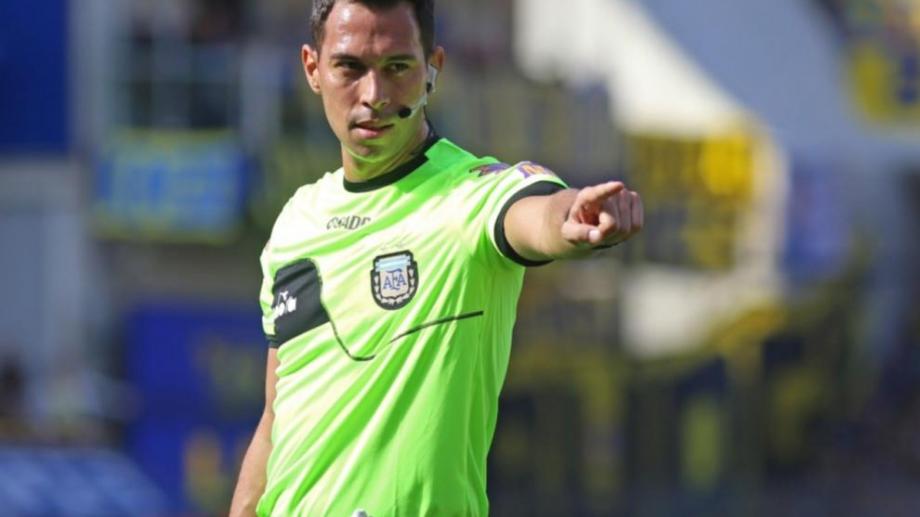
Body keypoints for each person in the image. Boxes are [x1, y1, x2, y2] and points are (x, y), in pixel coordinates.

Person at [229, 0, 643, 515]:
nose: (374, 95)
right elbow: (275, 419)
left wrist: (571, 219)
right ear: (313, 69)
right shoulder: (297, 222)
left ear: (433, 70)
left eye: (397, 67)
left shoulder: (470, 196)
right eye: (350, 67)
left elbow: (536, 215)